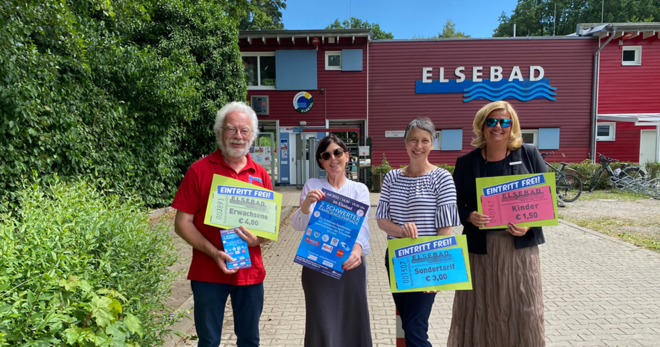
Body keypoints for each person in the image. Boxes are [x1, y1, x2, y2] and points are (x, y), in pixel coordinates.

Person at [172, 101, 271, 347]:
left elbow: (269, 229)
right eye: (231, 129)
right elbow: (182, 223)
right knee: (208, 341)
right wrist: (214, 252)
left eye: (244, 130)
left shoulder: (261, 174)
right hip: (208, 272)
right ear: (219, 132)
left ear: (252, 136)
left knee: (249, 341)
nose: (238, 136)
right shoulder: (198, 170)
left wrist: (258, 239)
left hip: (250, 273)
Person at [447, 100, 546, 347]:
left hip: (518, 251)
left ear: (512, 126)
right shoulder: (466, 162)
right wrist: (468, 216)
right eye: (491, 121)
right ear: (482, 126)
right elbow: (452, 205)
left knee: (522, 309)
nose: (497, 127)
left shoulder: (529, 154)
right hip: (480, 251)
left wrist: (529, 225)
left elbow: (546, 198)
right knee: (481, 309)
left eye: (504, 121)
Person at [376, 118, 461, 347]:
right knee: (408, 324)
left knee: (415, 330)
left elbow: (445, 228)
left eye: (425, 140)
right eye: (413, 139)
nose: (418, 146)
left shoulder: (442, 178)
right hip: (397, 259)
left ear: (432, 143)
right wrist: (401, 231)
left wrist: (436, 271)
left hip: (425, 261)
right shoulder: (392, 178)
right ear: (405, 143)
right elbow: (381, 220)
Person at [290, 135, 373, 347]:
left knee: (353, 319)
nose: (333, 159)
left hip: (350, 264)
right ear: (321, 161)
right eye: (326, 155)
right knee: (321, 321)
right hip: (318, 264)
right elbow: (298, 224)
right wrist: (307, 205)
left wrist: (358, 248)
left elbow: (362, 227)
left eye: (337, 153)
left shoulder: (359, 189)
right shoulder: (312, 185)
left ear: (347, 156)